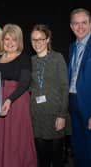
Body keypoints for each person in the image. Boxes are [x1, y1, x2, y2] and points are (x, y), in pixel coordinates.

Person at [0, 24, 37, 167]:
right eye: (7, 39)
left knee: (15, 139)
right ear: (3, 40)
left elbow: (24, 83)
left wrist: (9, 99)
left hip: (16, 101)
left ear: (19, 42)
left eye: (14, 40)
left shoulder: (24, 58)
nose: (10, 43)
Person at [30, 24, 69, 167]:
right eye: (34, 39)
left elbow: (65, 87)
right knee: (42, 159)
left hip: (55, 115)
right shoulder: (31, 61)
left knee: (57, 159)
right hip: (37, 115)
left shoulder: (58, 58)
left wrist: (62, 115)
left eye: (41, 39)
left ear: (48, 40)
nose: (37, 42)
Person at [68, 8, 91, 167]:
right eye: (76, 23)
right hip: (73, 104)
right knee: (78, 149)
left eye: (84, 22)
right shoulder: (72, 47)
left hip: (90, 107)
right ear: (71, 26)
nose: (80, 27)